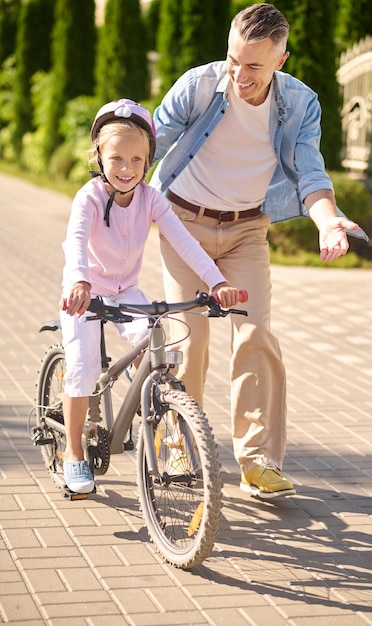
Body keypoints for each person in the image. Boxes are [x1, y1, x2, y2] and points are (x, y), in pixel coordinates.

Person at [150, 3, 368, 500]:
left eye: (253, 66)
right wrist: (109, 196)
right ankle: (179, 443)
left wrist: (328, 220)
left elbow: (310, 171)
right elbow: (150, 141)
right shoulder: (200, 85)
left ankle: (258, 461)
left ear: (280, 61)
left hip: (247, 230)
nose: (239, 74)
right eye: (233, 59)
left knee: (255, 336)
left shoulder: (299, 103)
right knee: (191, 338)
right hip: (183, 224)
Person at [60, 98, 241, 494]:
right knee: (83, 367)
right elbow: (74, 242)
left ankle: (167, 438)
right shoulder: (88, 198)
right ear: (98, 157)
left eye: (137, 161)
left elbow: (187, 243)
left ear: (148, 162)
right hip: (86, 294)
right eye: (117, 159)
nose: (127, 169)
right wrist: (79, 282)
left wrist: (217, 283)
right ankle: (74, 453)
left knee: (159, 349)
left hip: (127, 292)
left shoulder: (151, 199)